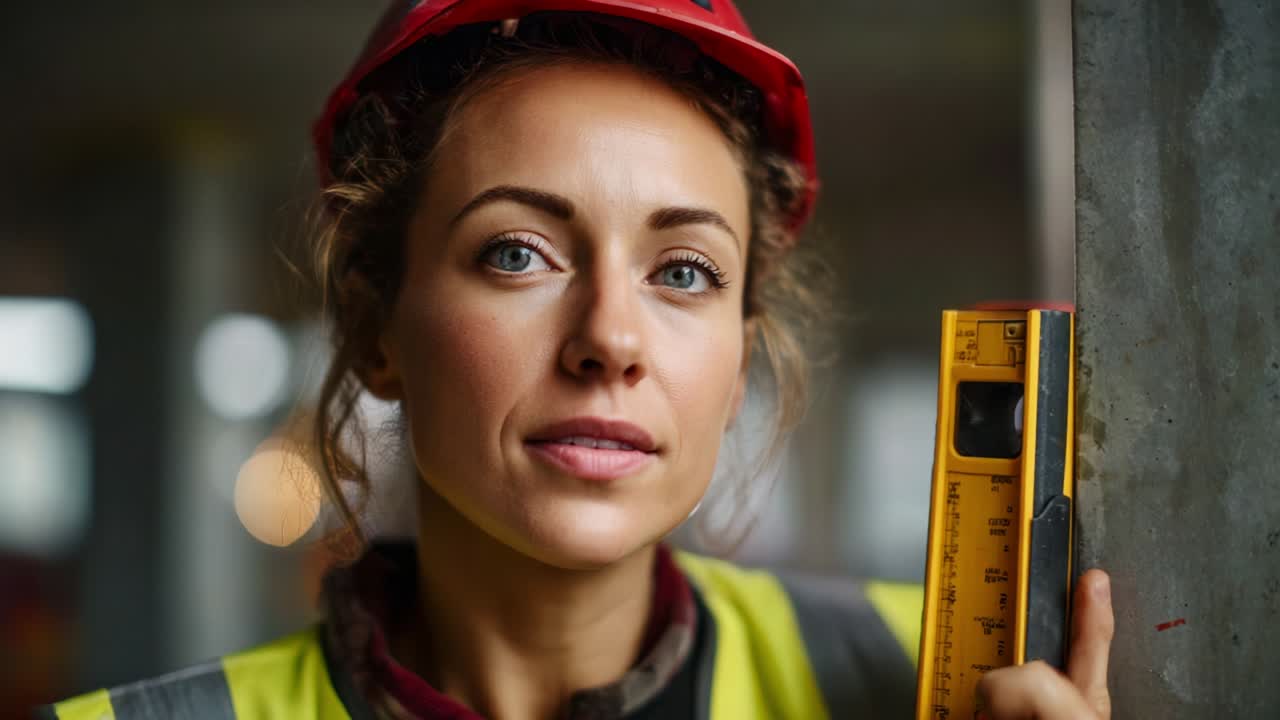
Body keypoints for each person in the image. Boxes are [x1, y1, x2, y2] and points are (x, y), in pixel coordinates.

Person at [39, 1, 1114, 718]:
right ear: (377, 330)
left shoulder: (949, 680)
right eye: (517, 253)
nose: (608, 338)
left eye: (684, 271)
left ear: (739, 360)